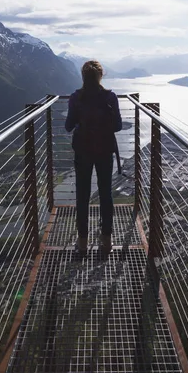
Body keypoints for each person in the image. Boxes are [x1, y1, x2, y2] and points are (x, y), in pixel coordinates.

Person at [65, 60, 122, 255]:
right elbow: (118, 126)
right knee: (105, 194)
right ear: (101, 76)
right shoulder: (110, 97)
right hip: (105, 150)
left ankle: (82, 243)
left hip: (82, 151)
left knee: (83, 196)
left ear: (82, 77)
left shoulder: (76, 97)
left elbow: (68, 126)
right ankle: (106, 241)